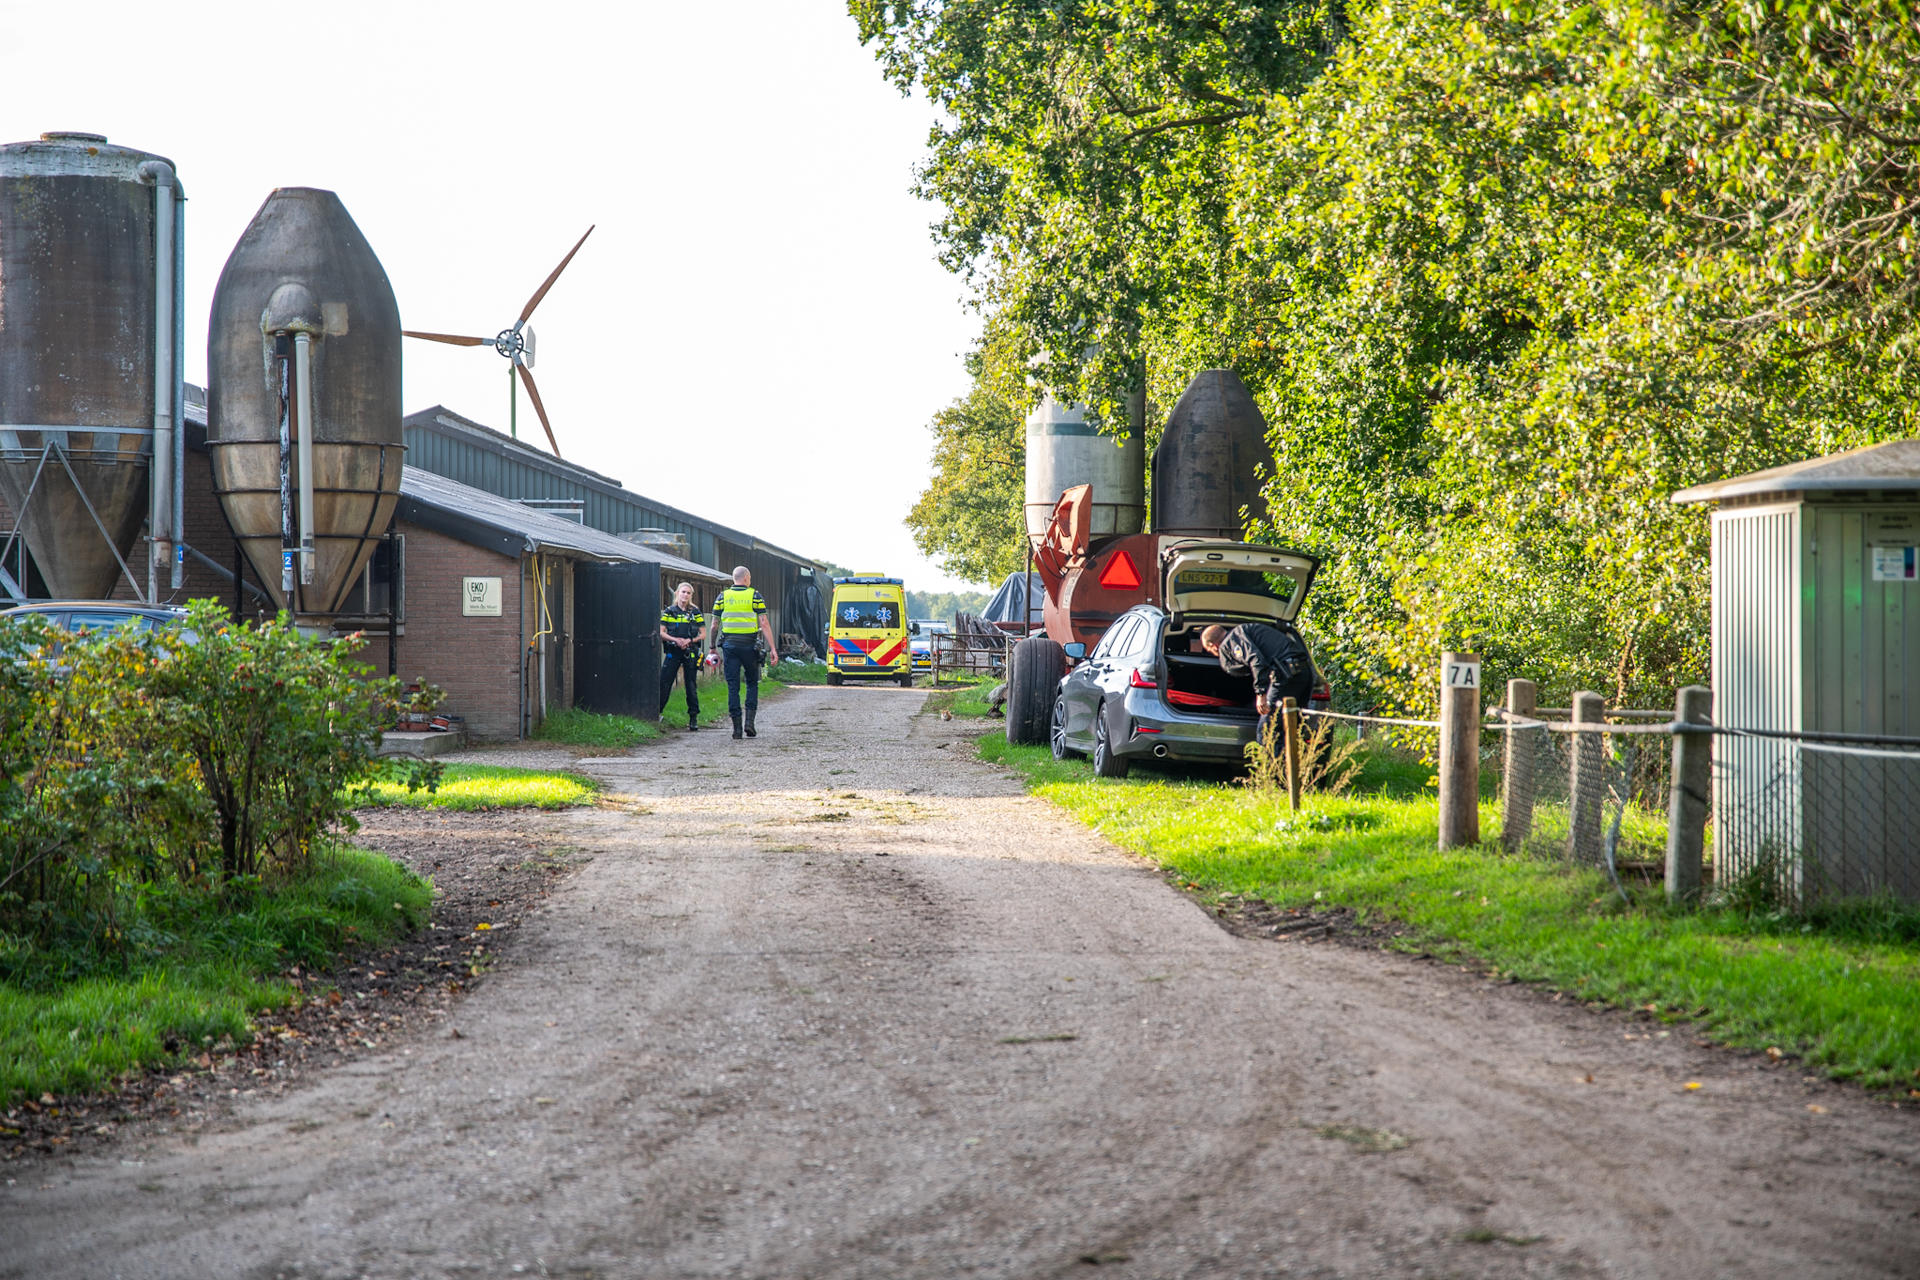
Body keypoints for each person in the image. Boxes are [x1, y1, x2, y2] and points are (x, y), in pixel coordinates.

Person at [1199, 620, 1318, 747]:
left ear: (1213, 646)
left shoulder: (1232, 640)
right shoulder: (1247, 631)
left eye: (1209, 650)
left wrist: (1261, 694)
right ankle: (1291, 765)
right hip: (1304, 672)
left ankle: (1273, 766)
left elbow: (1256, 660)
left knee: (1267, 731)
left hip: (1285, 675)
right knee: (1292, 729)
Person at [707, 566, 780, 739]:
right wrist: (773, 649)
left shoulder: (722, 597)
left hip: (730, 646)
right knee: (752, 683)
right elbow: (764, 623)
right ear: (746, 578)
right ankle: (750, 723)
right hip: (749, 646)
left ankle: (737, 729)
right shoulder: (755, 595)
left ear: (734, 579)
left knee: (733, 686)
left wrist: (712, 647)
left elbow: (714, 625)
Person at [658, 581, 704, 732]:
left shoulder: (695, 612)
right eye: (683, 592)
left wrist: (690, 640)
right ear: (677, 593)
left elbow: (703, 633)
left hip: (690, 651)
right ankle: (656, 714)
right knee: (665, 682)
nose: (685, 595)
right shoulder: (669, 611)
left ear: (691, 595)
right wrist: (675, 640)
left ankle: (693, 718)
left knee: (691, 685)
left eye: (688, 593)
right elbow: (661, 632)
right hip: (673, 650)